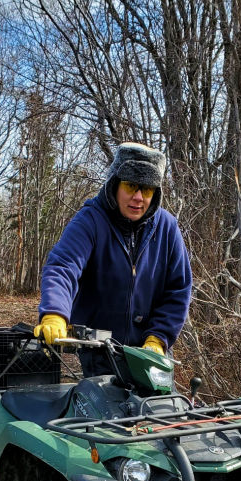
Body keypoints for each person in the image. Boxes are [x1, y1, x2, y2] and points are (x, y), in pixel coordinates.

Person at [33, 142, 192, 377]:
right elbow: (63, 267)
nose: (138, 197)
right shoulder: (90, 220)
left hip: (151, 353)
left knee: (161, 411)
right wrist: (55, 313)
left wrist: (158, 338)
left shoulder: (167, 228)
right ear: (115, 183)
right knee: (106, 411)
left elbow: (178, 289)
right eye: (131, 186)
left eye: (147, 189)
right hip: (100, 351)